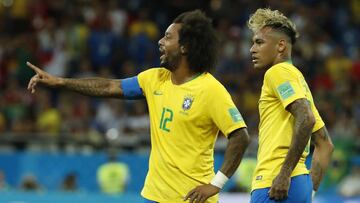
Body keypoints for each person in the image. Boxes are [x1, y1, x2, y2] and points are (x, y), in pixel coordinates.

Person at [27, 10, 250, 203]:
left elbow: (240, 135)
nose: (160, 42)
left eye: (168, 37)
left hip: (191, 197)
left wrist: (216, 184)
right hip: (153, 194)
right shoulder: (155, 79)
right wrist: (61, 81)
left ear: (185, 47)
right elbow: (108, 87)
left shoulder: (210, 89)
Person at [247, 8, 334, 203]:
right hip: (298, 184)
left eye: (259, 42)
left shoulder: (278, 72)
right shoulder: (298, 81)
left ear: (280, 46)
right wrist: (308, 191)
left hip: (274, 182)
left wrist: (284, 173)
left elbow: (306, 119)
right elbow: (325, 145)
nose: (252, 49)